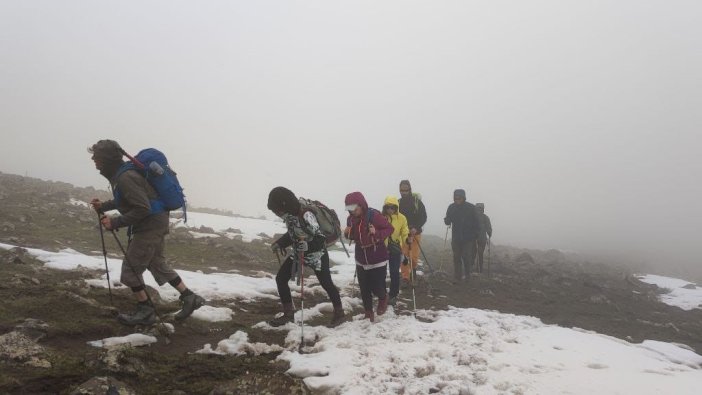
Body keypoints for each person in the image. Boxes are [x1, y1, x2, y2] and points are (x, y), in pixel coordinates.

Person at [88, 140, 204, 326]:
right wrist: (105, 206)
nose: (94, 160)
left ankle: (146, 310)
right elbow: (129, 199)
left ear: (107, 159)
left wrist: (115, 222)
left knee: (130, 270)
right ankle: (190, 298)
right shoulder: (122, 174)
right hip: (156, 221)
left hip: (150, 225)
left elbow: (142, 207)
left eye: (97, 157)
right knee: (156, 262)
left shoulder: (125, 177)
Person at [267, 187, 345, 327]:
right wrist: (280, 243)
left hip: (317, 255)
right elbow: (293, 234)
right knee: (281, 279)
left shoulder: (306, 214)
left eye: (277, 210)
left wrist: (307, 247)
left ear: (284, 205)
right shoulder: (290, 215)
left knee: (326, 283)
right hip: (299, 253)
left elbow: (320, 238)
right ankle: (288, 314)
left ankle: (340, 313)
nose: (277, 214)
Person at [344, 192, 394, 322]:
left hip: (378, 257)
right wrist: (347, 234)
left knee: (376, 286)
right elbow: (352, 236)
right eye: (349, 209)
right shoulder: (350, 219)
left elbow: (390, 229)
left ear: (361, 205)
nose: (352, 211)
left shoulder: (374, 215)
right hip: (361, 258)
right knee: (364, 287)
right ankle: (368, 312)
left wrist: (376, 233)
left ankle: (383, 298)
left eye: (354, 208)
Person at [443, 189, 479, 282]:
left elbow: (477, 222)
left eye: (459, 197)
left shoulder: (471, 207)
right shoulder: (451, 207)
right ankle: (457, 276)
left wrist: (476, 235)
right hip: (456, 237)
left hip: (469, 238)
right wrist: (447, 220)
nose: (457, 199)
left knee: (466, 256)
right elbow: (448, 220)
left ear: (463, 197)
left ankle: (467, 275)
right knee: (456, 256)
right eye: (456, 197)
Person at [382, 196, 409, 307]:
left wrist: (407, 239)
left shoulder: (402, 218)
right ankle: (382, 295)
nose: (390, 209)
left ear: (396, 207)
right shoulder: (381, 217)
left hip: (395, 248)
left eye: (393, 207)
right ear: (385, 207)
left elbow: (404, 231)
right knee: (381, 273)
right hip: (381, 248)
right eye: (388, 207)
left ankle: (393, 295)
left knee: (394, 272)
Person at [398, 180, 427, 282]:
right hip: (403, 235)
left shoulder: (417, 202)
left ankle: (413, 270)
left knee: (414, 257)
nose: (404, 192)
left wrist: (416, 227)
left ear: (409, 189)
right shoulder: (398, 203)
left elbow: (423, 217)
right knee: (404, 256)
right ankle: (405, 277)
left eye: (406, 190)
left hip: (416, 233)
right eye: (402, 190)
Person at [473, 203, 493, 274]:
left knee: (480, 253)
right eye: (478, 209)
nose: (479, 210)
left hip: (482, 239)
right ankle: (474, 268)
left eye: (480, 209)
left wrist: (489, 232)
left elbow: (489, 227)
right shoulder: (472, 217)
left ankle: (480, 268)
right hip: (473, 238)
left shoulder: (485, 218)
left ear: (482, 210)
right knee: (474, 253)